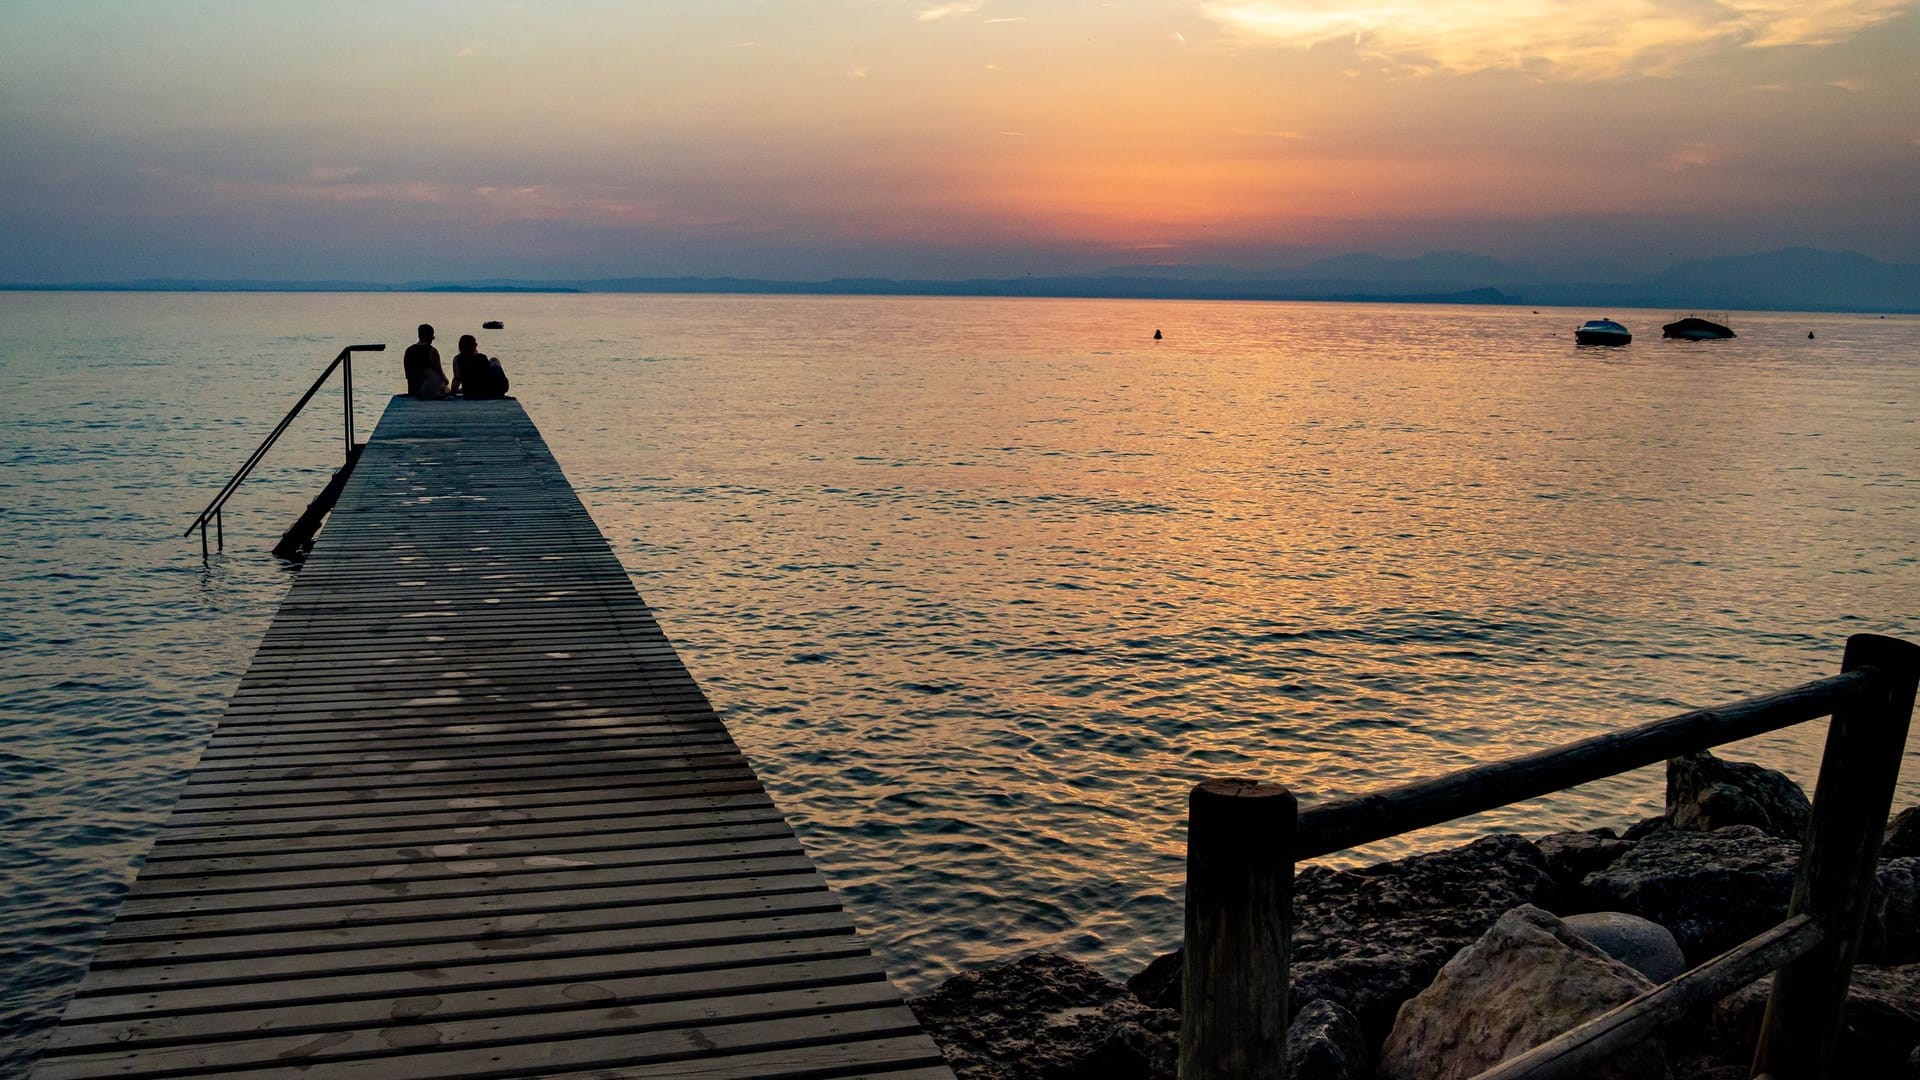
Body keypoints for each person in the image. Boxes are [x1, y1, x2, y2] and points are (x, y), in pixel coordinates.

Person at [449, 334, 508, 399]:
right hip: (487, 391)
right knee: (494, 361)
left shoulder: (457, 359)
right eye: (475, 344)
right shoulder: (482, 357)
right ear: (473, 346)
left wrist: (452, 394)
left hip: (470, 392)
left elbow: (457, 379)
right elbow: (487, 377)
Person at [403, 324, 448, 399]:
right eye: (432, 337)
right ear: (429, 336)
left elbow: (408, 374)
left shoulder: (409, 350)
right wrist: (446, 382)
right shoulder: (432, 351)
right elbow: (440, 372)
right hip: (427, 390)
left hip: (413, 389)